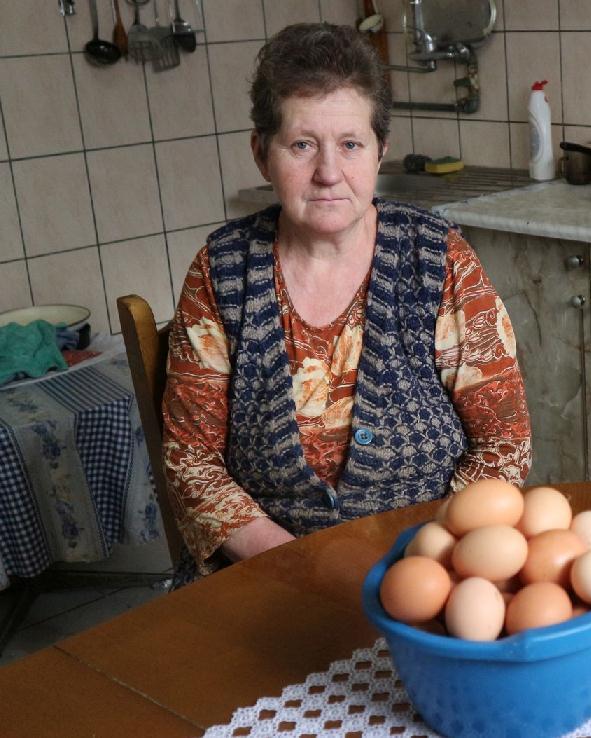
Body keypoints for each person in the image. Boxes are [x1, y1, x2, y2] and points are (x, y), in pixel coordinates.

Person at [162, 23, 531, 583]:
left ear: (381, 151)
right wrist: (299, 564)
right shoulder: (223, 271)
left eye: (350, 145)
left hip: (430, 572)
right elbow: (191, 463)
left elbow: (505, 443)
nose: (329, 173)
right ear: (262, 154)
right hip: (267, 577)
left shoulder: (438, 259)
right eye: (302, 145)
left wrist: (428, 565)